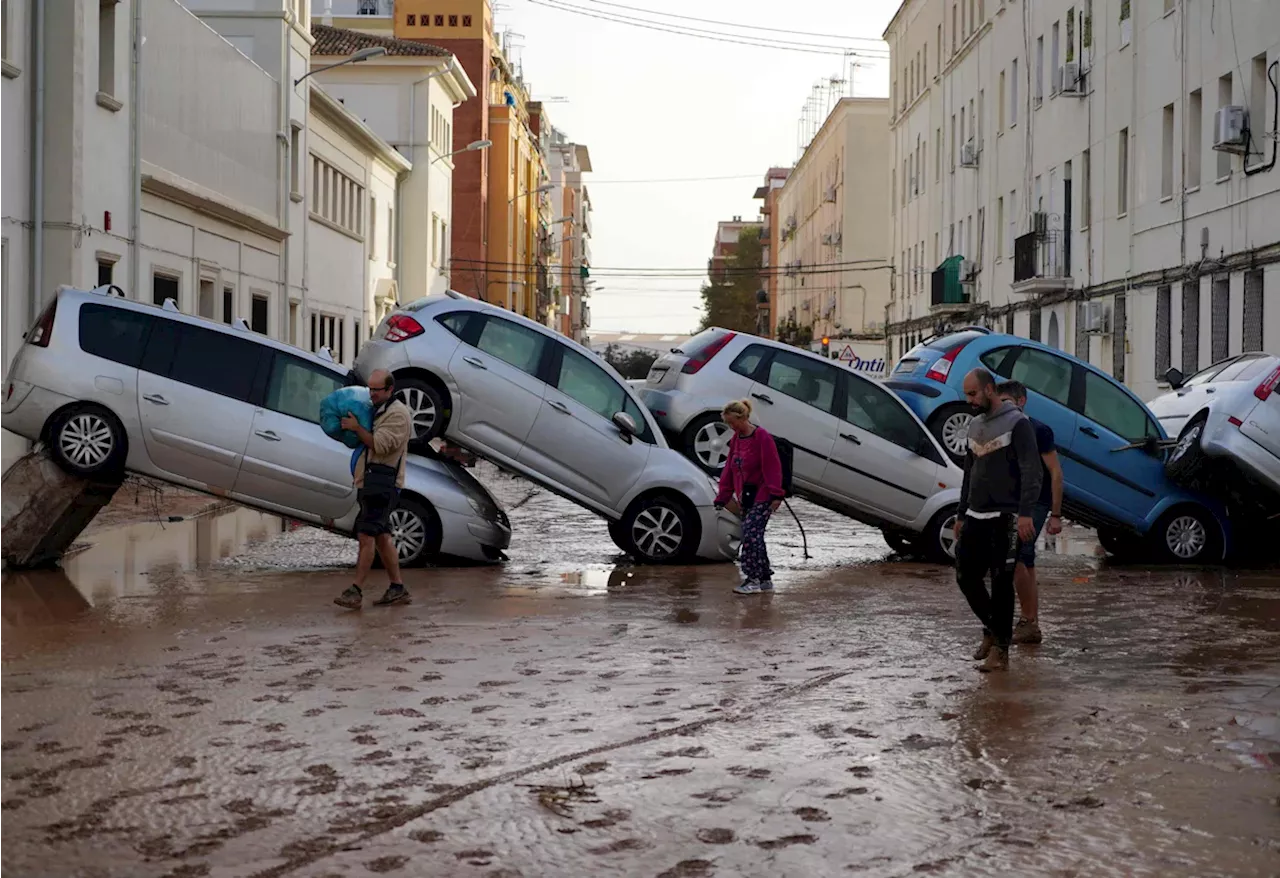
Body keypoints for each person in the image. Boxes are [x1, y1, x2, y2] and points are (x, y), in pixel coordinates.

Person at [954, 368, 1042, 672]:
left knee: (1003, 583)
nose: (969, 400)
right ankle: (994, 629)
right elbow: (969, 473)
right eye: (967, 395)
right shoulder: (975, 425)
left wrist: (1026, 513)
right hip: (976, 516)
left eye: (973, 394)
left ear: (989, 390)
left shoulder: (1018, 424)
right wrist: (961, 513)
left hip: (1007, 517)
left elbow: (1033, 471)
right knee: (966, 576)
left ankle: (1001, 651)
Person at [334, 370, 413, 609]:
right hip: (371, 482)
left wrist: (357, 428)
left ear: (390, 390)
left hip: (383, 484)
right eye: (369, 389)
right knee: (381, 536)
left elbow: (379, 445)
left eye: (376, 390)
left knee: (366, 535)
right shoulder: (380, 409)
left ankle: (356, 590)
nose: (372, 394)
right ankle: (397, 587)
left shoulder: (398, 415)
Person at [997, 380, 1064, 645]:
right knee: (1026, 561)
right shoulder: (999, 428)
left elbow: (1056, 472)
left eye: (1007, 403)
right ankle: (1031, 622)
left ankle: (1027, 621)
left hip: (1036, 502)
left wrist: (1056, 515)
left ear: (1021, 401)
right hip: (1013, 502)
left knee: (1018, 558)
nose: (1002, 408)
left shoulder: (1039, 430)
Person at [713, 399, 784, 596]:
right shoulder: (736, 439)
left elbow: (772, 467)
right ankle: (764, 579)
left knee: (751, 536)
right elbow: (729, 468)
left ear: (742, 418)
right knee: (755, 536)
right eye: (728, 423)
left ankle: (752, 579)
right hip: (745, 497)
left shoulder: (762, 437)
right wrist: (723, 495)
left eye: (732, 422)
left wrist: (776, 495)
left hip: (763, 495)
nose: (731, 427)